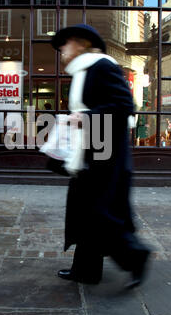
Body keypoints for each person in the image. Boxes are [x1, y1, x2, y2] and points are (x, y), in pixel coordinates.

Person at [51, 23, 151, 289]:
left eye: (66, 42)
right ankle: (85, 270)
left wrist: (85, 117)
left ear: (81, 43)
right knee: (86, 212)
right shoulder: (84, 71)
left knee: (101, 213)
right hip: (92, 149)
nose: (61, 48)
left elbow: (124, 106)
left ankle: (136, 257)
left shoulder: (101, 67)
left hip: (107, 155)